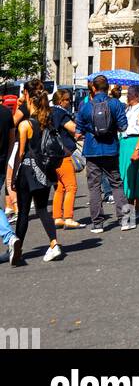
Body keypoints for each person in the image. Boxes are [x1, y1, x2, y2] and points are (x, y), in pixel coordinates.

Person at [76, 74, 132, 234]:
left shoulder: (85, 106)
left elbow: (78, 132)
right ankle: (125, 220)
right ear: (107, 88)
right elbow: (123, 126)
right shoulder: (115, 104)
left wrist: (89, 130)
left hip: (92, 150)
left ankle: (98, 224)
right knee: (116, 183)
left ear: (93, 88)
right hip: (110, 148)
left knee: (94, 186)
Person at [12, 89, 63, 263]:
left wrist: (13, 177)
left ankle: (17, 248)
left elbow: (21, 153)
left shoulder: (25, 125)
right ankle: (54, 243)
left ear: (31, 103)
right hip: (45, 170)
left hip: (27, 170)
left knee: (24, 212)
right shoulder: (47, 123)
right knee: (42, 209)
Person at [119, 85, 139, 223]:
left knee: (135, 177)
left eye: (129, 94)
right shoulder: (128, 109)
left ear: (136, 95)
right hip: (124, 143)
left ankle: (135, 210)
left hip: (135, 143)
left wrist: (137, 149)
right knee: (125, 176)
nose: (127, 96)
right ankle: (129, 211)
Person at [51, 90, 81, 229]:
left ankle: (57, 217)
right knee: (71, 186)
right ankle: (68, 217)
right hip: (64, 153)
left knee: (59, 187)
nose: (69, 102)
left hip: (51, 155)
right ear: (60, 101)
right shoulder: (61, 113)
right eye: (67, 100)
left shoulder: (49, 112)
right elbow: (73, 128)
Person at [0, 91, 21, 264]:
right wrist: (7, 161)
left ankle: (9, 236)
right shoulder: (7, 113)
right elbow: (12, 139)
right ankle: (9, 237)